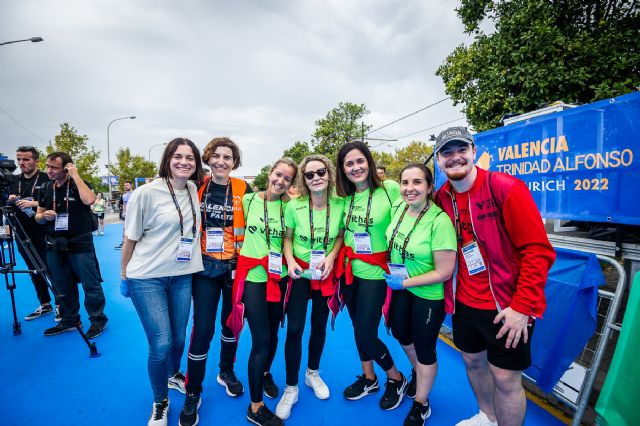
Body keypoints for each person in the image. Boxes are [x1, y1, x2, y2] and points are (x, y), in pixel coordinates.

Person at [432, 127, 556, 426]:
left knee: (505, 378)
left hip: (506, 307)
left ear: (474, 152)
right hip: (464, 304)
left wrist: (523, 307)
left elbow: (537, 251)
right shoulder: (442, 198)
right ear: (438, 160)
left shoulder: (505, 187)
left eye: (461, 150)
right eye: (447, 152)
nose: (455, 157)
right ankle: (487, 417)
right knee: (473, 363)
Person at [120, 139, 204, 426]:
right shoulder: (145, 193)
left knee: (179, 338)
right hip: (147, 277)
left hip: (182, 275)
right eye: (178, 156)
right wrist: (124, 276)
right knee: (161, 343)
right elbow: (129, 238)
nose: (184, 162)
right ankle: (160, 402)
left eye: (190, 157)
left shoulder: (194, 189)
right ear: (168, 159)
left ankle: (173, 374)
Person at [179, 137, 252, 426]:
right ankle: (193, 391)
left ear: (235, 162)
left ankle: (226, 371)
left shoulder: (244, 189)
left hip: (236, 267)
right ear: (209, 158)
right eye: (217, 156)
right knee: (203, 329)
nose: (222, 161)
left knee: (232, 323)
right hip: (205, 267)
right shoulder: (196, 187)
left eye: (228, 157)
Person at [334, 141, 407, 410]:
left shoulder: (389, 190)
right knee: (358, 328)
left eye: (359, 161)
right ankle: (369, 377)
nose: (355, 168)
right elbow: (342, 234)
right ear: (343, 169)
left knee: (366, 333)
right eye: (349, 164)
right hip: (350, 272)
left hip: (378, 274)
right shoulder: (345, 198)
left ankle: (395, 377)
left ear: (370, 162)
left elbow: (411, 216)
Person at [384, 163, 457, 425]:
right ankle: (417, 372)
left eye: (417, 182)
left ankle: (421, 403)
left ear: (429, 187)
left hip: (426, 294)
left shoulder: (439, 221)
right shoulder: (399, 210)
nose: (409, 188)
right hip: (401, 287)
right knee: (402, 334)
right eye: (405, 182)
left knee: (425, 348)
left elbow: (445, 271)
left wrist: (404, 283)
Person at [228, 158, 298, 426]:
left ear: (291, 184)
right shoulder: (249, 200)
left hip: (277, 277)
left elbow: (289, 240)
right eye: (278, 174)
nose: (281, 181)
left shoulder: (290, 208)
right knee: (261, 340)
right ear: (269, 174)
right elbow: (235, 230)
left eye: (287, 179)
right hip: (254, 278)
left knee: (273, 333)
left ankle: (266, 372)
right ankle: (255, 407)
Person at [276, 155, 345, 419]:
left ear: (328, 174)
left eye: (320, 172)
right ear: (303, 180)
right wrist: (291, 260)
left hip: (324, 272)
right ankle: (291, 387)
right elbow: (287, 238)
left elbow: (339, 236)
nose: (315, 177)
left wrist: (331, 256)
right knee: (294, 329)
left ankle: (312, 373)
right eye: (309, 174)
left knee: (318, 326)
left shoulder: (340, 204)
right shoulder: (295, 206)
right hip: (300, 272)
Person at [35, 152, 108, 338]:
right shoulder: (45, 188)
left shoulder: (78, 186)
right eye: (47, 166)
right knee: (62, 287)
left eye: (54, 167)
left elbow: (90, 200)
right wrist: (44, 217)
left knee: (91, 285)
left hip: (80, 245)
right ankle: (69, 320)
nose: (49, 171)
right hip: (55, 246)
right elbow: (38, 215)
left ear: (66, 168)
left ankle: (98, 320)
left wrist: (75, 175)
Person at [8, 146, 55, 321]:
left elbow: (55, 201)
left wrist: (33, 204)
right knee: (34, 270)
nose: (22, 163)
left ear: (36, 161)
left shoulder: (46, 178)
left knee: (50, 268)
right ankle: (45, 304)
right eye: (19, 159)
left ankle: (60, 305)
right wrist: (10, 200)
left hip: (44, 231)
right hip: (21, 231)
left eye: (26, 159)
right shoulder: (12, 180)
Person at [115, 180, 133, 249]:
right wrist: (124, 212)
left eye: (127, 185)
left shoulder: (135, 193)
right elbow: (124, 204)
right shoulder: (124, 195)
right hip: (127, 215)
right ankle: (124, 243)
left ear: (131, 185)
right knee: (124, 229)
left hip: (134, 214)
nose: (126, 186)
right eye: (125, 185)